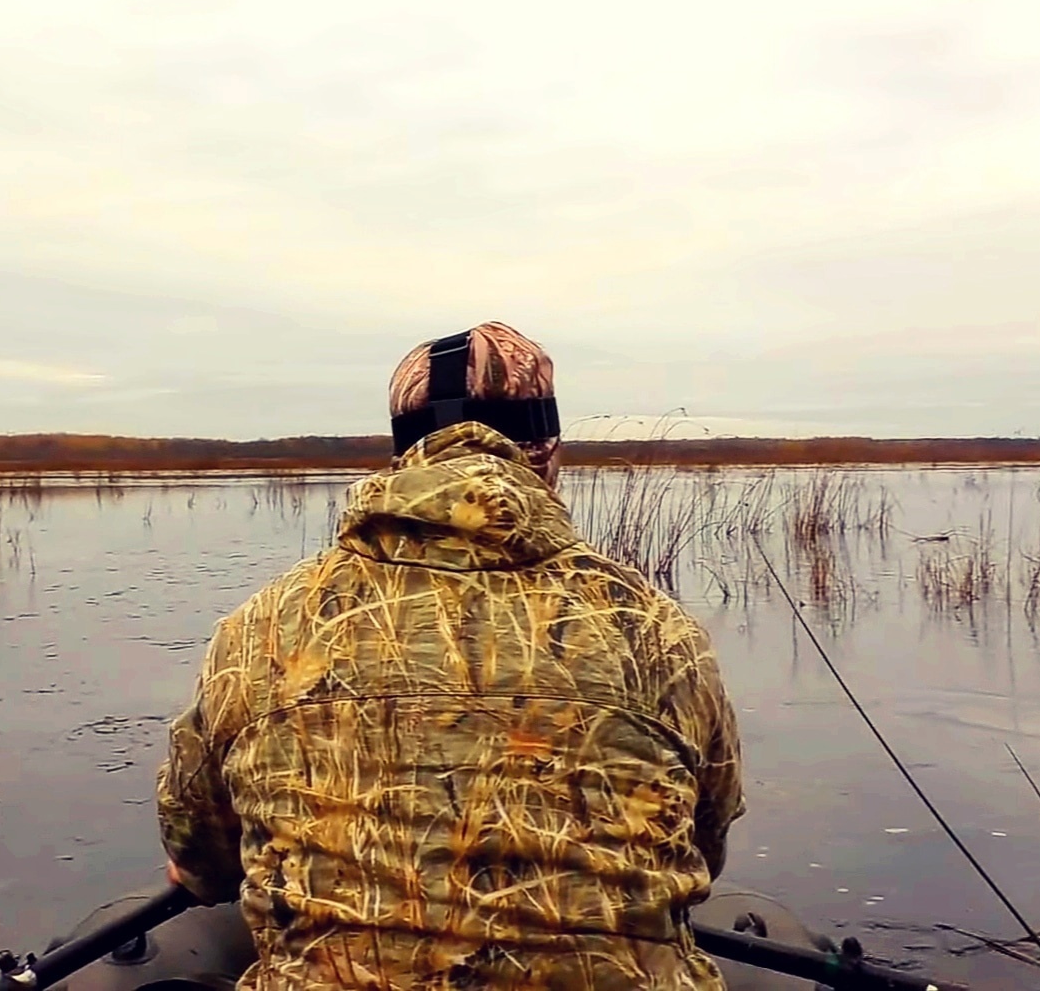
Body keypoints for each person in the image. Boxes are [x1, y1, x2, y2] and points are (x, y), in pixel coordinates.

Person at [156, 321, 744, 991]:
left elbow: (200, 854)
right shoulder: (656, 628)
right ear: (547, 449)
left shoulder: (261, 627)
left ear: (404, 451)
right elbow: (705, 841)